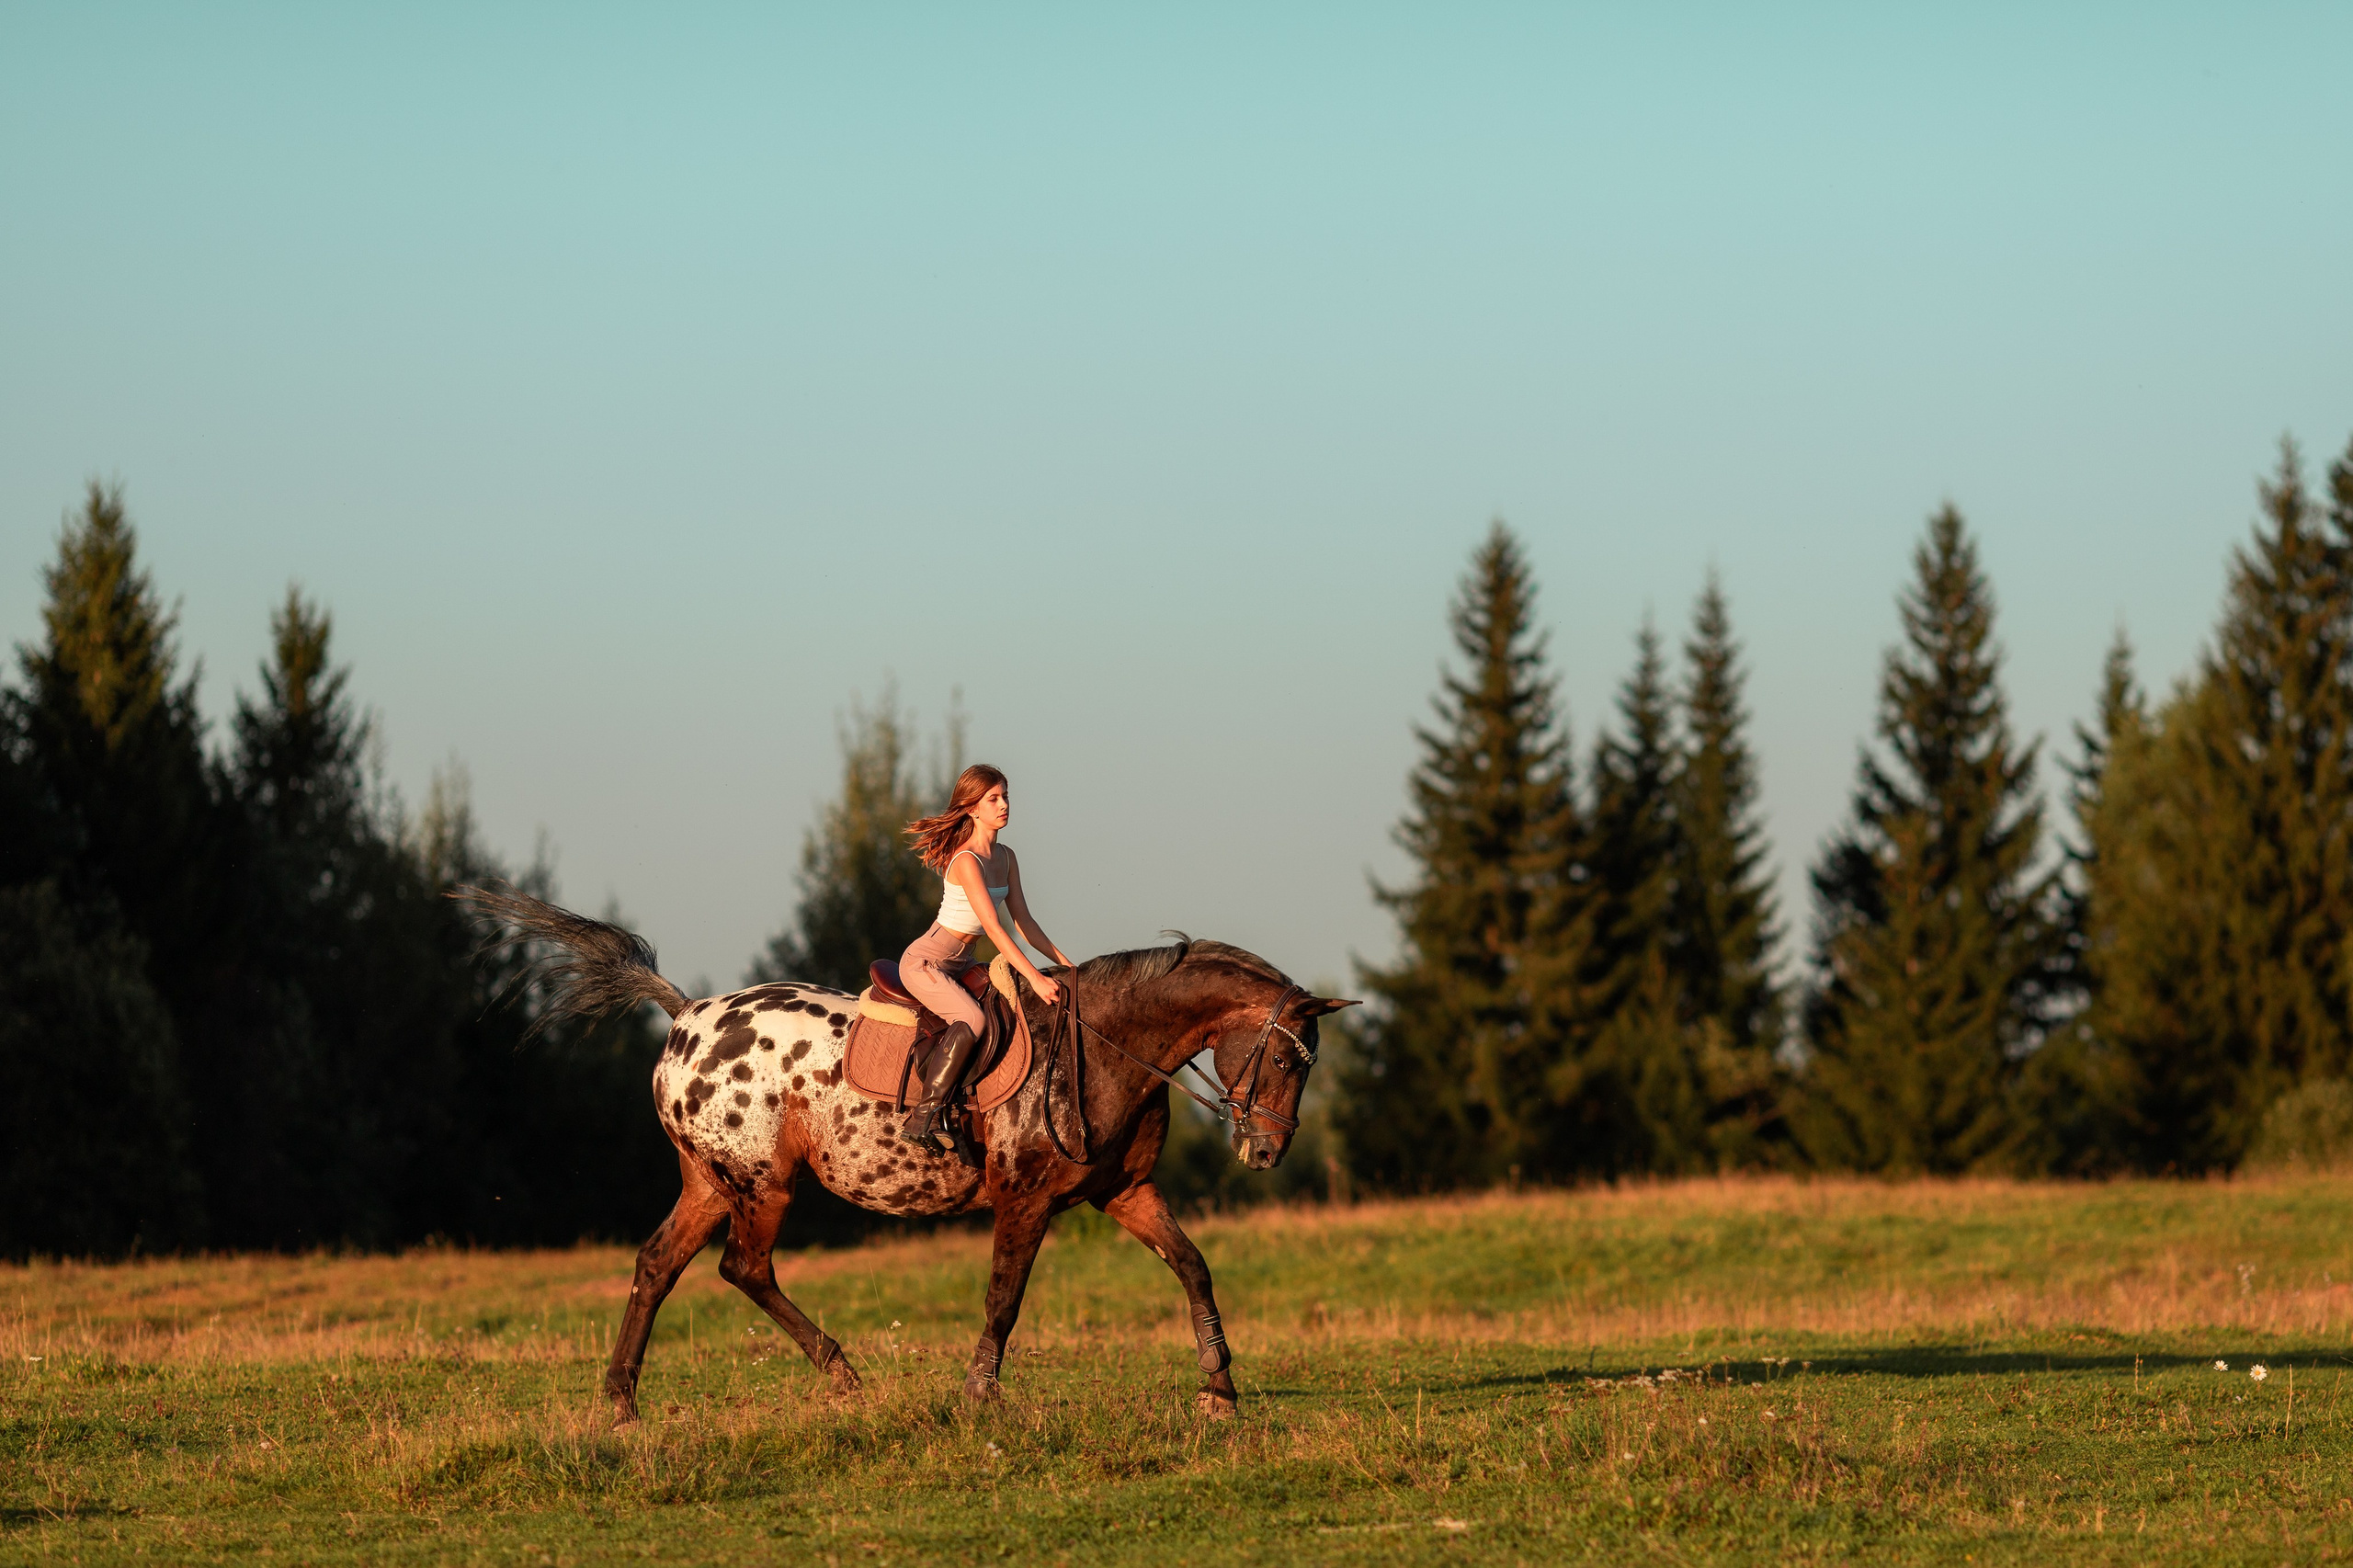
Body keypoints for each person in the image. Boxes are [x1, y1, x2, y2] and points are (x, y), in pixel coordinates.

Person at [898, 764, 1072, 1165]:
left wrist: (1067, 968)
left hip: (963, 962)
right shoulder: (967, 860)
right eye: (993, 798)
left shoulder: (1006, 857)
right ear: (972, 808)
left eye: (1005, 795)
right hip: (927, 961)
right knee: (973, 1019)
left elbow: (1024, 922)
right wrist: (1035, 977)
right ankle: (923, 1117)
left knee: (1006, 1010)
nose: (1003, 804)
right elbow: (994, 928)